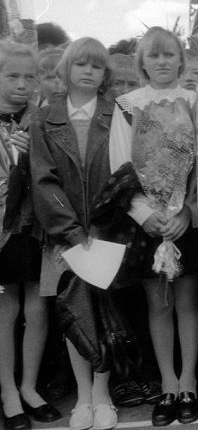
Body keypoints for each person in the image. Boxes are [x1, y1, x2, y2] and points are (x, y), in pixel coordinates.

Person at [109, 28, 198, 426]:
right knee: (158, 304)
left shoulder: (195, 101)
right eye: (154, 55)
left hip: (184, 221)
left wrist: (187, 212)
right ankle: (167, 383)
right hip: (149, 222)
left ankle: (189, 381)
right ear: (142, 62)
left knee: (187, 302)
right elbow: (120, 166)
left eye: (169, 54)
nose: (163, 61)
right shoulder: (128, 106)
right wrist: (145, 214)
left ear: (180, 59)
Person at [31, 37, 117, 429]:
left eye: (96, 66)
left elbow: (121, 173)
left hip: (104, 231)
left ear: (104, 74)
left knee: (101, 310)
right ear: (66, 69)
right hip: (62, 235)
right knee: (72, 311)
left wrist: (100, 226)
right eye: (81, 64)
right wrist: (70, 231)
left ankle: (102, 393)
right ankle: (82, 395)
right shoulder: (44, 117)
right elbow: (43, 180)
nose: (88, 71)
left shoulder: (116, 113)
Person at [0, 41, 58, 430]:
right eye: (12, 76)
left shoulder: (40, 118)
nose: (22, 84)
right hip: (2, 228)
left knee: (38, 306)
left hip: (36, 225)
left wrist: (34, 150)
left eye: (29, 77)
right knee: (6, 310)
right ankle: (7, 391)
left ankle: (30, 387)